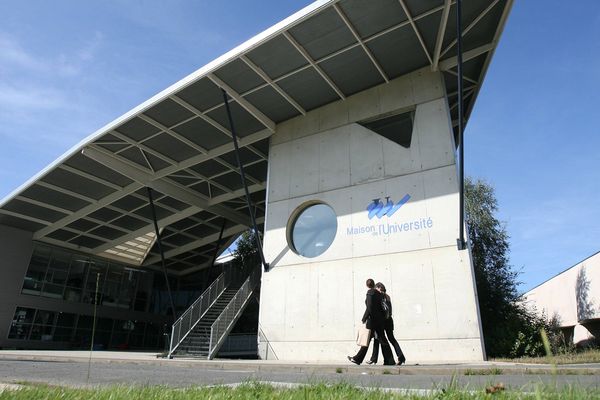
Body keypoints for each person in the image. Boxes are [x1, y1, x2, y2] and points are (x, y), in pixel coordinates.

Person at [347, 278, 395, 365]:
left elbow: (369, 308)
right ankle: (390, 360)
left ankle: (357, 359)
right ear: (374, 284)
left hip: (373, 321)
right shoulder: (379, 294)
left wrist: (364, 319)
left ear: (367, 285)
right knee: (381, 340)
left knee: (370, 340)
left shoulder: (370, 293)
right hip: (379, 321)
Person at [367, 282, 406, 366]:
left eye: (377, 288)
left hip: (382, 321)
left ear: (379, 288)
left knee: (378, 339)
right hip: (389, 320)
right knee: (391, 339)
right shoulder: (388, 296)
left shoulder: (379, 296)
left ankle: (374, 359)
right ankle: (401, 357)